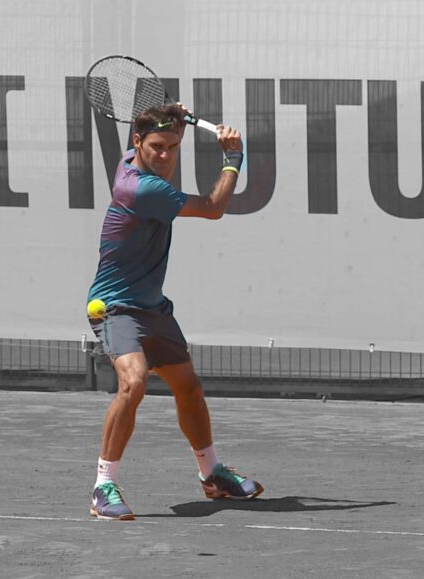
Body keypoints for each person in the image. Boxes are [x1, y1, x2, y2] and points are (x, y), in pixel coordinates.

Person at [85, 103, 262, 521]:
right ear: (137, 143)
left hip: (154, 309)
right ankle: (102, 486)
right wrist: (233, 158)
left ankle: (212, 473)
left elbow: (156, 135)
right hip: (116, 308)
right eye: (157, 147)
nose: (165, 156)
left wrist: (171, 116)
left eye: (173, 147)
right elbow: (215, 206)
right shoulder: (142, 189)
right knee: (133, 383)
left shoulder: (128, 162)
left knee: (190, 388)